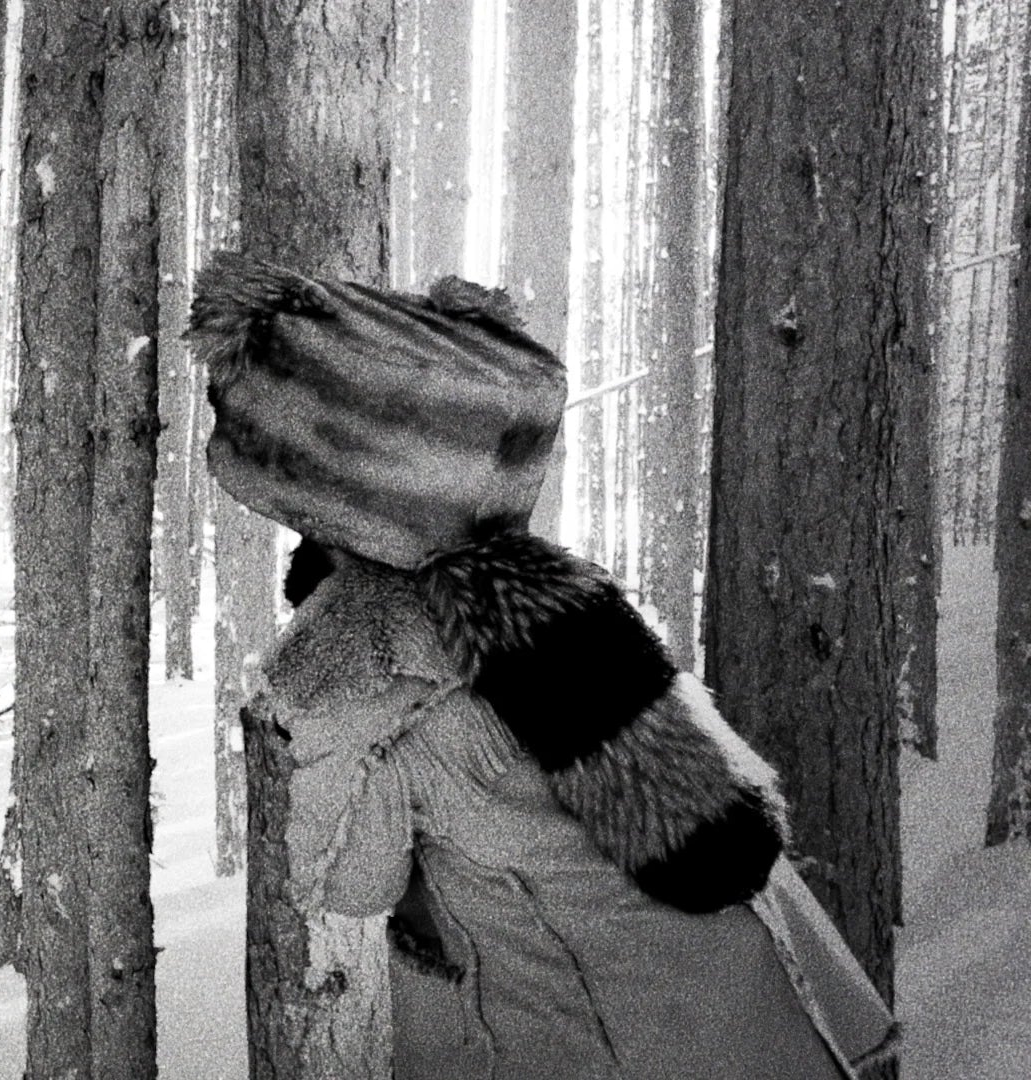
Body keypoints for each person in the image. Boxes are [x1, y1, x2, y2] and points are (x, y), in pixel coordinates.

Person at [190, 252, 899, 1078]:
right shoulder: (554, 603)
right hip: (756, 994)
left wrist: (309, 702)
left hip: (639, 1037)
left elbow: (353, 883)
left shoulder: (373, 671)